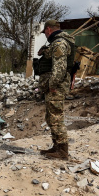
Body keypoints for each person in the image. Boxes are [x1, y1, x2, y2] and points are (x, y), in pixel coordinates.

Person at [38, 20, 75, 160]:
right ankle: (56, 147)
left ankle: (62, 152)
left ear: (48, 29)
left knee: (56, 118)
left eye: (45, 32)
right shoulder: (58, 42)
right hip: (54, 86)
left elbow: (59, 68)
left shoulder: (59, 43)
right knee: (51, 117)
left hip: (56, 87)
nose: (45, 35)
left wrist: (52, 85)